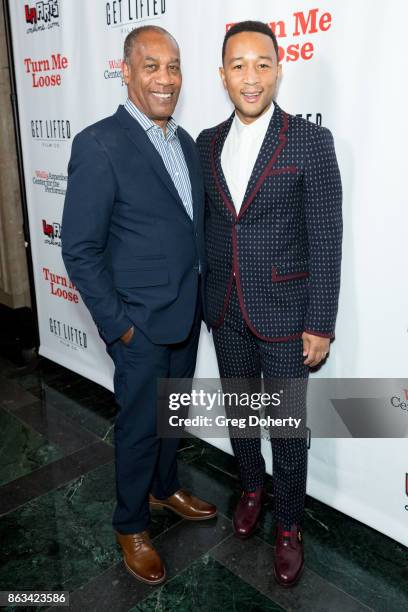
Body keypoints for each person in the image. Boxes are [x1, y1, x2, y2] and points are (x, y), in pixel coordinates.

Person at [61, 25, 216, 586]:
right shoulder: (99, 143)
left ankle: (164, 487)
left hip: (186, 313)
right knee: (137, 428)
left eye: (173, 67)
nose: (165, 79)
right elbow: (79, 248)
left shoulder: (186, 142)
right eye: (151, 66)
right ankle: (130, 523)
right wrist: (119, 327)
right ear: (125, 71)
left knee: (172, 417)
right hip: (140, 326)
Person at [196, 20, 342, 587]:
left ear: (280, 69)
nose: (250, 77)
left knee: (285, 427)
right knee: (241, 415)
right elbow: (210, 224)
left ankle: (289, 526)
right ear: (223, 76)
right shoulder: (207, 143)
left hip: (286, 315)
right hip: (227, 310)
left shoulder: (308, 140)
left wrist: (320, 323)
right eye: (238, 65)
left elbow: (326, 235)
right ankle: (251, 488)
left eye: (262, 64)